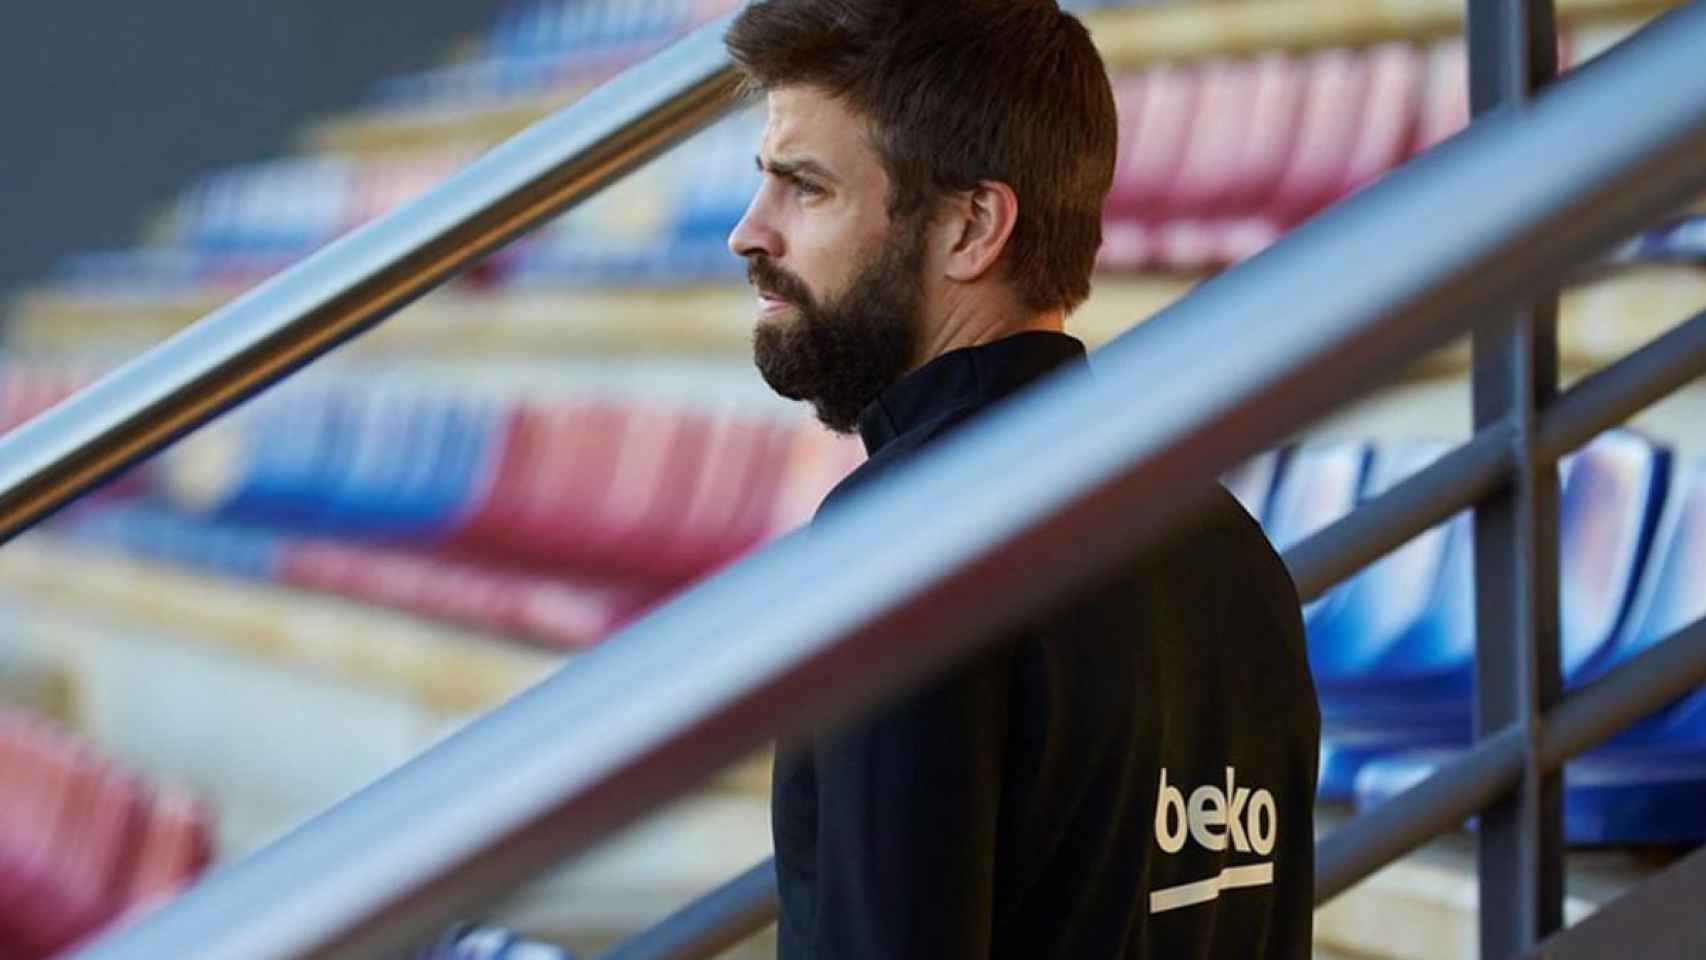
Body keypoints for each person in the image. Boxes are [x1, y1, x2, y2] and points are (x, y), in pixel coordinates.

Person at [724, 2, 1320, 957]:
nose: (749, 233)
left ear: (972, 227)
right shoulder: (1234, 551)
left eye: (806, 188)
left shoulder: (904, 546)